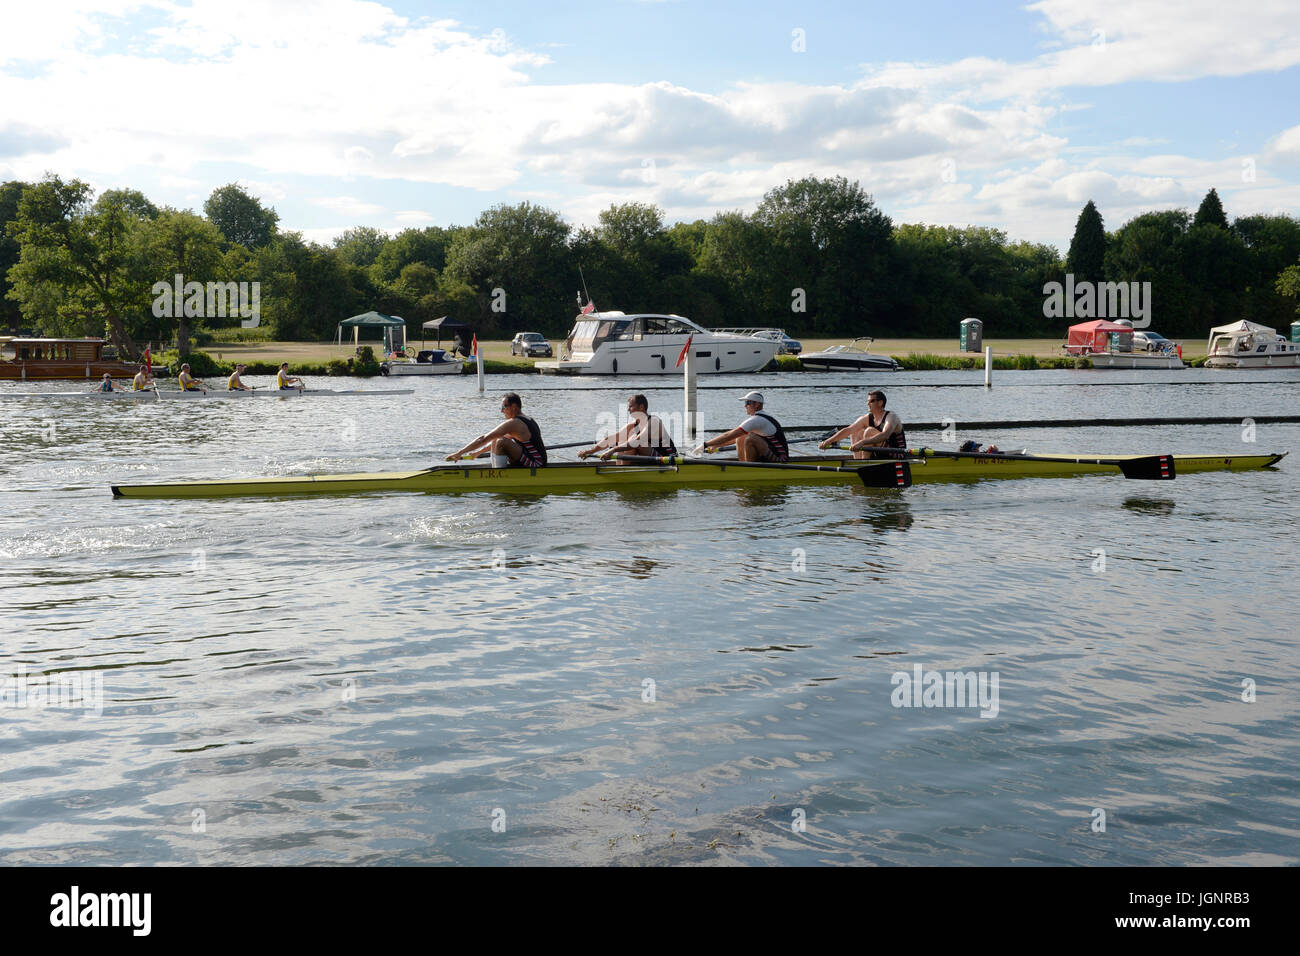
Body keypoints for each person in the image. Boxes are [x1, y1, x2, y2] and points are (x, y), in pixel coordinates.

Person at [445, 392, 548, 467]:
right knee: (497, 439)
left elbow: (483, 439)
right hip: (535, 459)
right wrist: (478, 453)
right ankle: (498, 470)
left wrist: (460, 453)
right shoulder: (527, 419)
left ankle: (498, 475)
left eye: (504, 407)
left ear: (514, 407)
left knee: (501, 441)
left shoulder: (514, 423)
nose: (501, 411)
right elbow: (493, 440)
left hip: (536, 464)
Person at [578, 394, 677, 461]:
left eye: (630, 406)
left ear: (641, 407)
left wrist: (613, 450)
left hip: (667, 458)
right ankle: (622, 468)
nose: (627, 409)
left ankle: (624, 470)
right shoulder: (632, 426)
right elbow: (610, 439)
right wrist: (590, 451)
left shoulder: (654, 421)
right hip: (650, 456)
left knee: (634, 441)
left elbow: (637, 441)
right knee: (621, 441)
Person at [699, 391, 789, 462]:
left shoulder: (758, 420)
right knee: (741, 436)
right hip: (770, 453)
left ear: (757, 404)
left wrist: (705, 445)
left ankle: (748, 469)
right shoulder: (759, 418)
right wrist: (716, 445)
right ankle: (745, 465)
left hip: (780, 460)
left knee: (751, 438)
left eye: (747, 402)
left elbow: (728, 435)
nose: (745, 405)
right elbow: (733, 438)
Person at [818, 390, 906, 458]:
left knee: (869, 431)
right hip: (880, 452)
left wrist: (862, 442)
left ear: (880, 403)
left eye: (871, 401)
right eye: (868, 401)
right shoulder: (867, 418)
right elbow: (848, 430)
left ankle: (864, 463)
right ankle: (858, 462)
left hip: (897, 454)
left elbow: (885, 435)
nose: (868, 404)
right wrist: (828, 441)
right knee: (855, 431)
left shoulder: (891, 417)